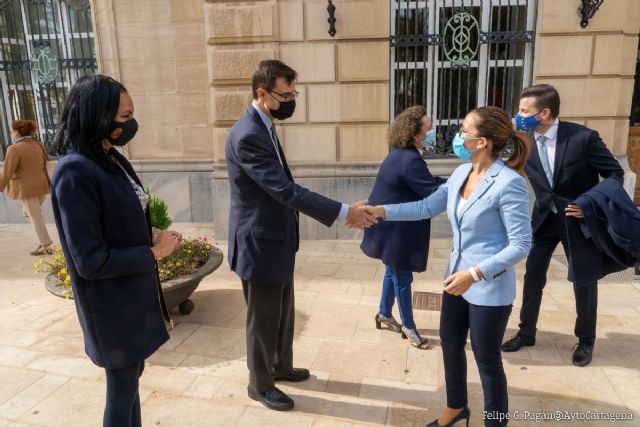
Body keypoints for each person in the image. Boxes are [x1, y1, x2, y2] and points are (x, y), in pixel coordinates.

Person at [225, 59, 377, 411]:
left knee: (283, 309)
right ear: (262, 93)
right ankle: (260, 384)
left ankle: (280, 366)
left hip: (275, 239)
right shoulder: (247, 133)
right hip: (258, 243)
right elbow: (284, 190)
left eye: (295, 93)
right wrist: (343, 212)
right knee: (262, 318)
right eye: (285, 94)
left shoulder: (263, 124)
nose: (291, 100)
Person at [366, 107, 532, 427]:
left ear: (481, 141)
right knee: (451, 347)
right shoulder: (461, 173)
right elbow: (427, 206)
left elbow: (521, 244)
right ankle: (456, 408)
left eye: (464, 129)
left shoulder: (509, 183)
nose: (458, 133)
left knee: (487, 361)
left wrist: (475, 274)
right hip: (455, 279)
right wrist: (380, 211)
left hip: (487, 286)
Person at [50, 75, 181, 427]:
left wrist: (148, 233)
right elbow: (90, 261)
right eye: (124, 117)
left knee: (131, 382)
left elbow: (118, 219)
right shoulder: (75, 171)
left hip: (132, 300)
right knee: (121, 395)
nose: (131, 124)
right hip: (111, 308)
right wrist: (155, 254)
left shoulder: (111, 159)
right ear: (98, 116)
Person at [501, 84, 624, 367]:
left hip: (578, 221)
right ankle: (526, 332)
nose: (518, 115)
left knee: (584, 280)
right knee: (533, 277)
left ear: (544, 113)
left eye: (523, 110)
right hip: (544, 219)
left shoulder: (583, 138)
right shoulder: (524, 139)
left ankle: (586, 340)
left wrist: (589, 204)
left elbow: (615, 174)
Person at [360, 105, 446, 350]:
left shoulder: (400, 153)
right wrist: (458, 186)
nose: (431, 132)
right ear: (414, 132)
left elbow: (425, 182)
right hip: (395, 230)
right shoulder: (409, 159)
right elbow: (430, 191)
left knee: (392, 273)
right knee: (402, 277)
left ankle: (384, 314)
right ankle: (409, 326)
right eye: (428, 128)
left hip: (390, 226)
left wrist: (447, 182)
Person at [0, 120, 53, 255]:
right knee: (29, 214)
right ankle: (43, 241)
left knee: (35, 216)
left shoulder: (14, 149)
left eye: (12, 131)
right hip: (42, 186)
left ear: (18, 132)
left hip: (26, 189)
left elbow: (7, 171)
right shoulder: (39, 145)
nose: (11, 134)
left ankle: (45, 245)